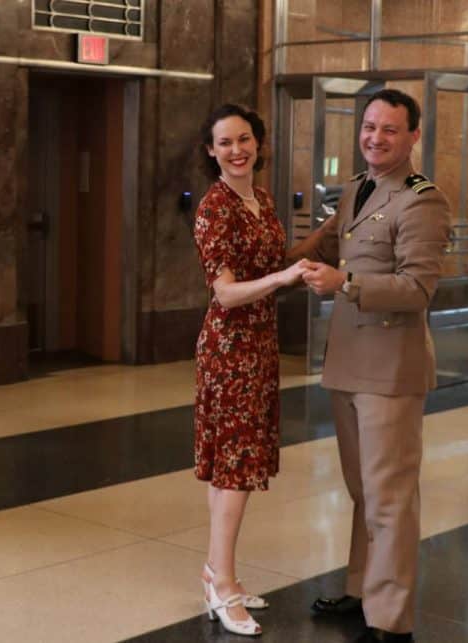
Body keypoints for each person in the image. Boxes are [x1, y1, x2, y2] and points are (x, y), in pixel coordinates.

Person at [292, 89, 452, 643]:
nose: (375, 138)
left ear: (413, 137)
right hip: (348, 362)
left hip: (390, 369)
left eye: (389, 129)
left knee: (390, 496)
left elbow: (417, 288)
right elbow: (328, 242)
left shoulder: (421, 199)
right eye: (369, 126)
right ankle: (362, 589)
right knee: (363, 490)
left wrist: (347, 285)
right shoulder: (358, 187)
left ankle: (391, 619)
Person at [194, 104, 307, 637]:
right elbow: (226, 292)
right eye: (224, 143)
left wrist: (302, 262)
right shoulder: (215, 208)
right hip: (230, 348)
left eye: (244, 139)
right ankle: (223, 585)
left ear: (259, 143)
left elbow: (273, 265)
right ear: (211, 151)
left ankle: (217, 571)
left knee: (232, 467)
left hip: (259, 345)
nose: (236, 150)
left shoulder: (259, 198)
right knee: (233, 469)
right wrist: (283, 280)